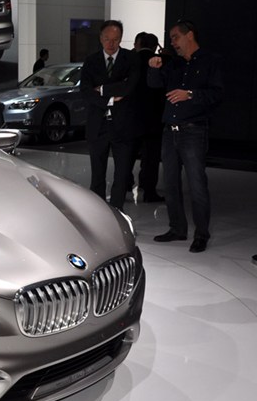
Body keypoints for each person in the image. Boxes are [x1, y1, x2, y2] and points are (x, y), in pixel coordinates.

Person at [149, 19, 223, 253]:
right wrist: (154, 67)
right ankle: (177, 228)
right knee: (170, 184)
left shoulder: (210, 61)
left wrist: (189, 94)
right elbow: (154, 85)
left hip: (193, 131)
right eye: (171, 38)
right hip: (169, 131)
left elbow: (217, 94)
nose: (172, 42)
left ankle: (201, 234)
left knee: (197, 184)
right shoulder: (174, 64)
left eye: (175, 37)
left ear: (189, 35)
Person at [80, 20, 140, 211]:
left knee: (122, 174)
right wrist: (111, 99)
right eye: (107, 39)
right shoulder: (91, 61)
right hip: (97, 125)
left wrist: (103, 89)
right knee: (97, 174)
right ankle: (99, 213)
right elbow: (86, 92)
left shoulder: (131, 58)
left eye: (115, 39)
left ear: (121, 39)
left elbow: (130, 87)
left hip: (123, 126)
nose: (111, 43)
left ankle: (117, 212)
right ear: (100, 38)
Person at [131, 32, 166, 202]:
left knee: (128, 155)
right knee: (151, 156)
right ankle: (149, 189)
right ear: (154, 46)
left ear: (137, 44)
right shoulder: (160, 61)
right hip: (154, 117)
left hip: (132, 115)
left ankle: (124, 185)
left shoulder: (130, 61)